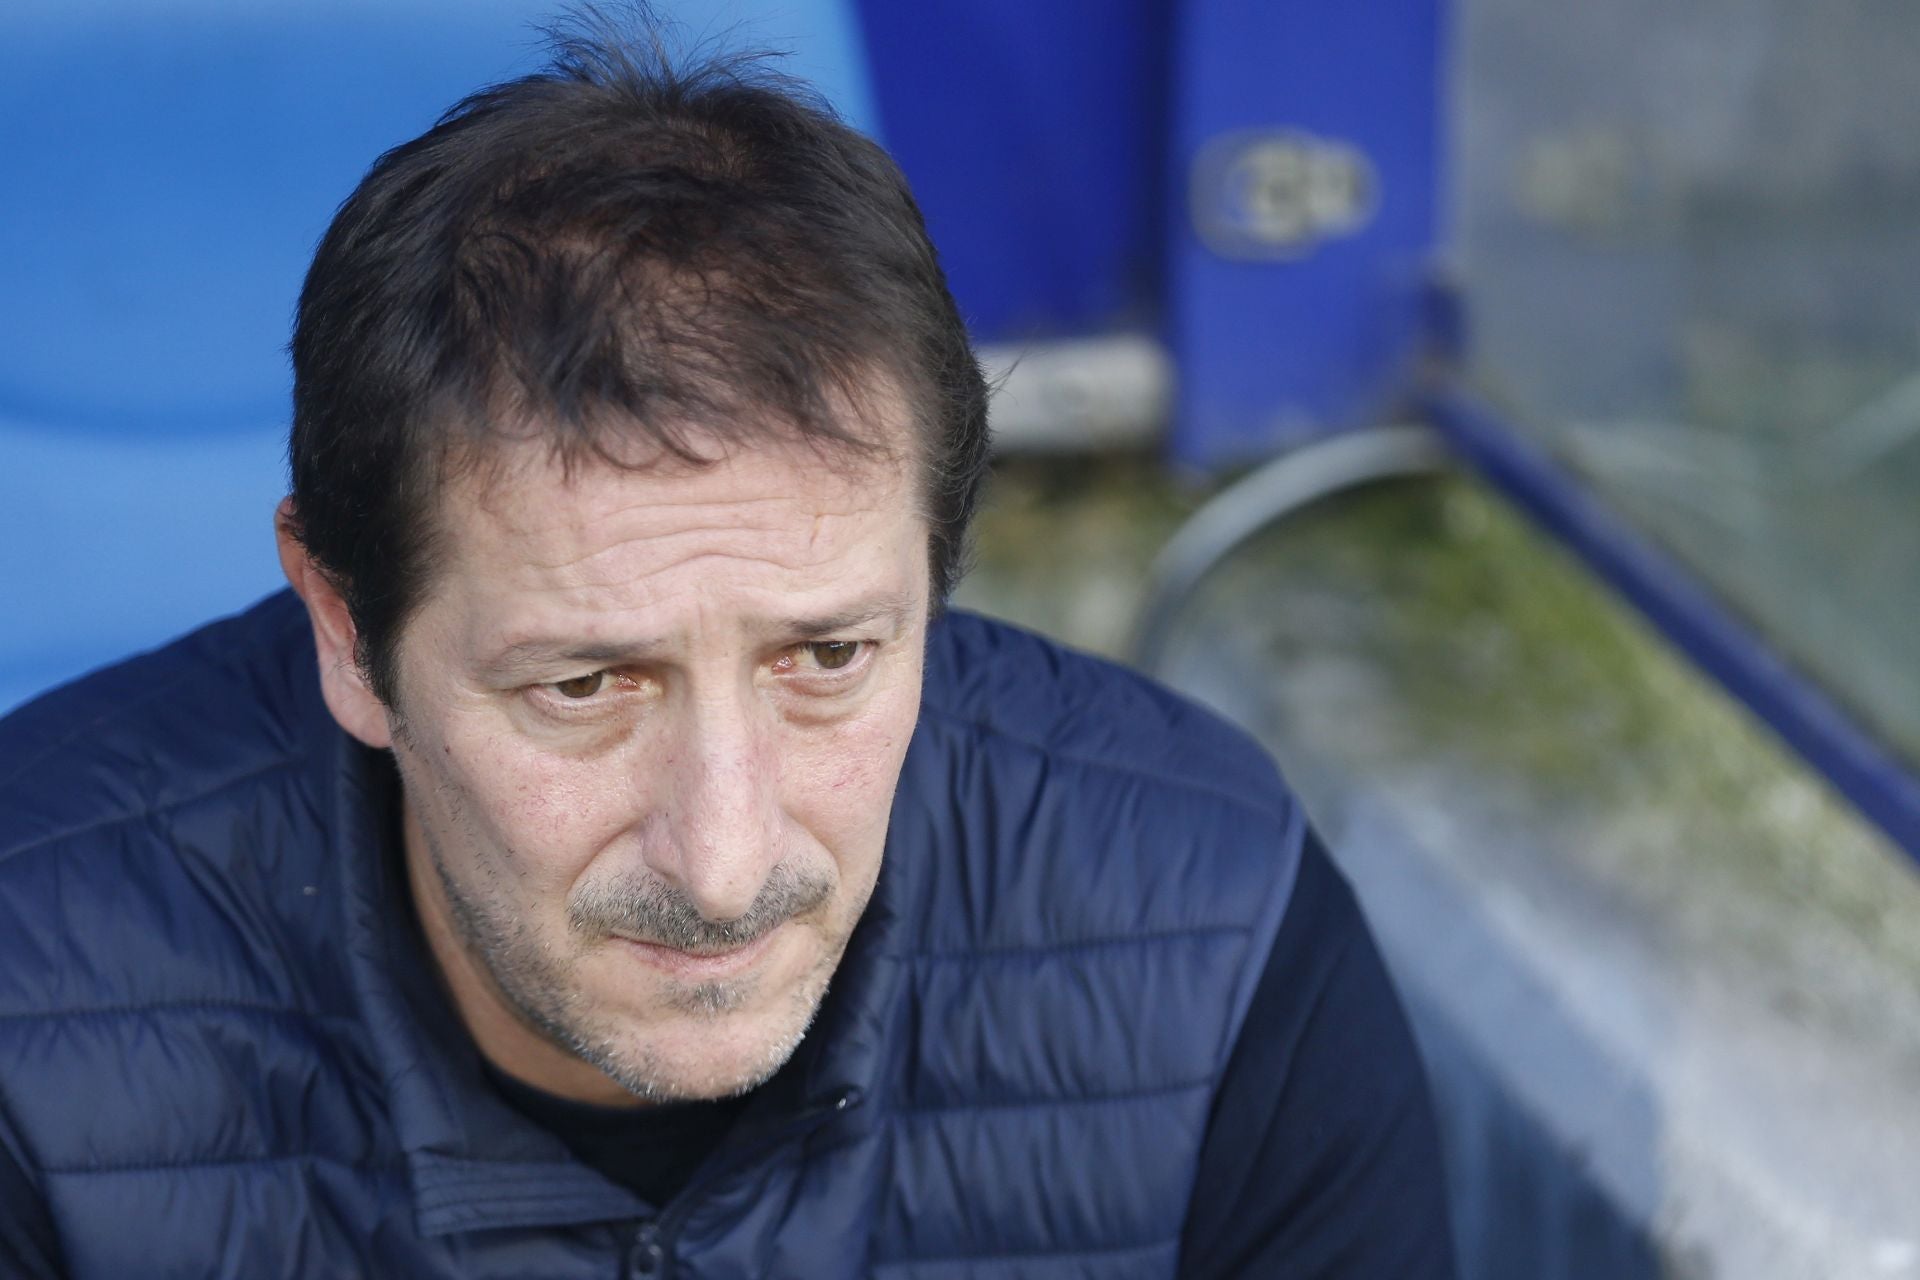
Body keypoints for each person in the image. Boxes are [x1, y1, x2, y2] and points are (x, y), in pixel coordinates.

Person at [0, 16, 1455, 1278]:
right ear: (345, 631)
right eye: (584, 686)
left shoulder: (1209, 926)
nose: (725, 859)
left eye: (827, 659)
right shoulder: (29, 999)